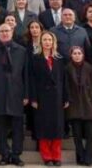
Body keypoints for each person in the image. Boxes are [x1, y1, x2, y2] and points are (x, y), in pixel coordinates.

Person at [0, 24, 30, 167]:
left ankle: (16, 155)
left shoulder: (22, 51)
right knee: (1, 126)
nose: (4, 33)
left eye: (7, 31)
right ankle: (4, 154)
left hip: (17, 93)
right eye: (1, 31)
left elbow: (26, 74)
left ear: (12, 32)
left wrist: (26, 94)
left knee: (18, 127)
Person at [30, 32, 66, 167]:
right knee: (43, 127)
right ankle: (47, 157)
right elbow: (32, 79)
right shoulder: (35, 58)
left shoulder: (59, 59)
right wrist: (33, 97)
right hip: (41, 97)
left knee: (57, 127)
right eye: (44, 39)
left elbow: (64, 80)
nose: (47, 42)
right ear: (40, 42)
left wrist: (65, 97)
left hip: (57, 97)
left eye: (49, 40)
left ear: (53, 42)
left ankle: (57, 156)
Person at [65, 46, 92, 167]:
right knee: (77, 136)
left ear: (83, 55)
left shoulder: (90, 68)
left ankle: (89, 159)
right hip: (74, 105)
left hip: (88, 105)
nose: (77, 55)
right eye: (74, 53)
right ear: (71, 55)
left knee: (90, 136)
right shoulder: (67, 69)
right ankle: (80, 157)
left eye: (79, 53)